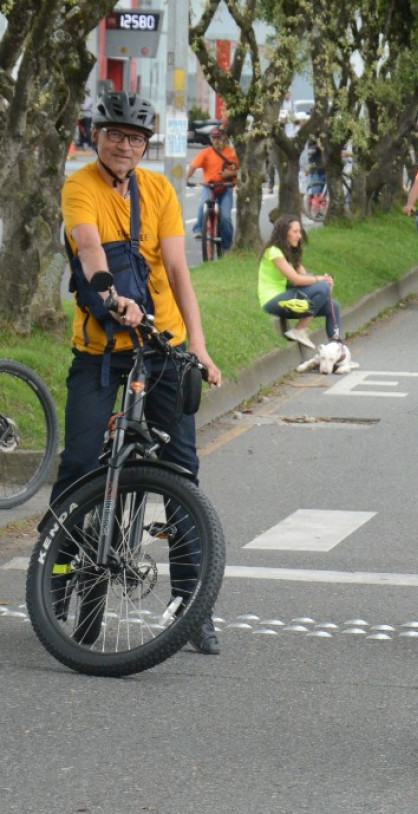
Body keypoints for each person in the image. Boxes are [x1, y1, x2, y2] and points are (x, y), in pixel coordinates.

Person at [56, 91, 223, 655]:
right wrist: (112, 296)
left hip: (164, 347)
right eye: (115, 135)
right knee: (80, 463)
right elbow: (88, 250)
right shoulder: (80, 186)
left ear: (146, 145)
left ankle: (191, 602)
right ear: (96, 137)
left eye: (135, 138)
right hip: (104, 351)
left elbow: (177, 268)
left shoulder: (158, 189)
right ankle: (56, 579)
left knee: (181, 471)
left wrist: (197, 345)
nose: (125, 146)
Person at [258, 214, 341, 351]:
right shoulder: (273, 252)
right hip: (273, 302)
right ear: (285, 233)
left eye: (300, 231)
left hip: (289, 301)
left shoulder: (288, 251)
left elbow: (304, 276)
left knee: (334, 306)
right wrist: (321, 280)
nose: (299, 235)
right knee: (323, 286)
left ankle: (336, 350)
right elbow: (296, 280)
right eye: (295, 232)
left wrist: (325, 281)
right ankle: (299, 329)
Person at [185, 127, 239, 251]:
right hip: (210, 186)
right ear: (210, 139)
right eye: (214, 138)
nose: (216, 141)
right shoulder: (206, 153)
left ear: (224, 138)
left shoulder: (231, 153)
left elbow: (239, 169)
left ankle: (227, 246)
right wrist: (186, 179)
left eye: (219, 138)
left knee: (225, 216)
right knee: (203, 204)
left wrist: (229, 174)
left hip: (226, 188)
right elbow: (193, 166)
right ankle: (198, 229)